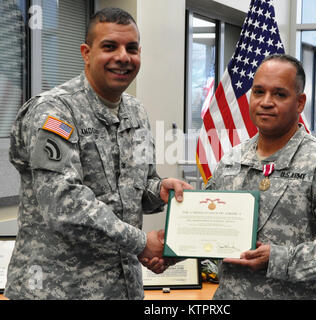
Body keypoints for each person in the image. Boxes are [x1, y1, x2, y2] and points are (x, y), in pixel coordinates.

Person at [5, 7, 192, 300]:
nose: (122, 57)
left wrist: (161, 190)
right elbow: (63, 204)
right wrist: (142, 243)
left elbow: (138, 188)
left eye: (131, 48)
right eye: (109, 47)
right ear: (86, 52)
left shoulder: (136, 112)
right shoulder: (53, 112)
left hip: (123, 288)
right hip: (59, 291)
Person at [206, 54, 316, 299]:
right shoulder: (232, 160)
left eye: (279, 94)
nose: (266, 102)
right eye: (258, 92)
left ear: (299, 102)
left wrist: (281, 259)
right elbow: (205, 226)